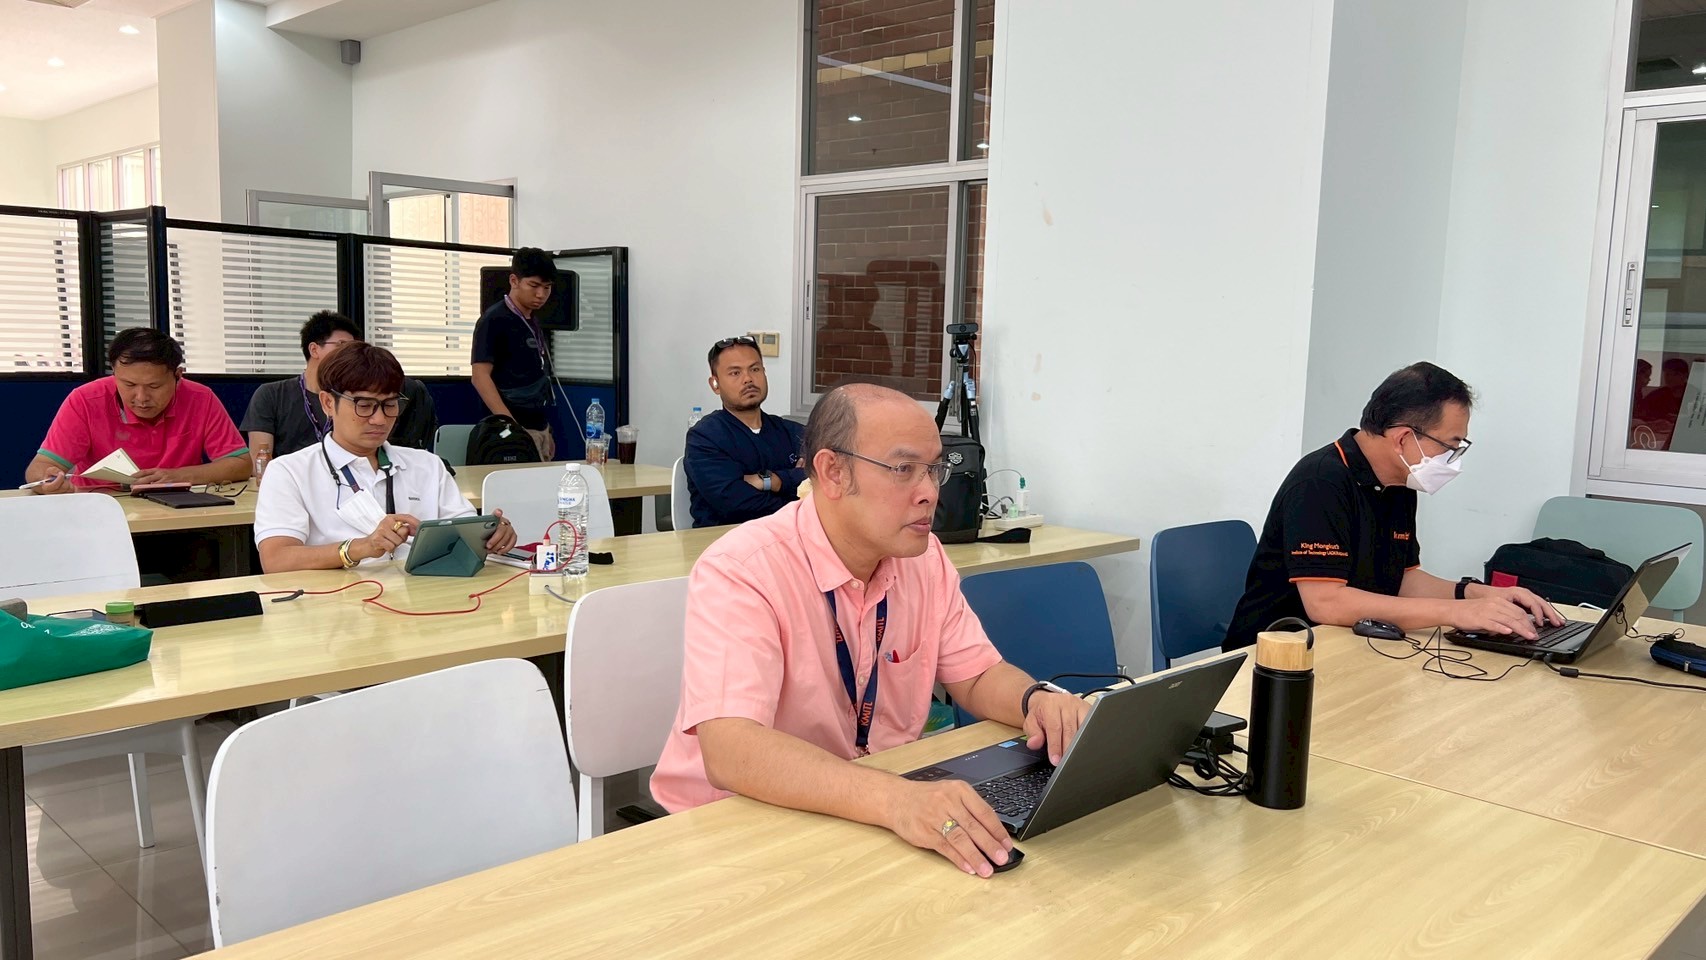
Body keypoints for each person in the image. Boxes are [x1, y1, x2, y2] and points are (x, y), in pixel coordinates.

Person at [651, 383, 1091, 879]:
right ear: (833, 473)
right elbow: (732, 751)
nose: (930, 492)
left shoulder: (922, 559)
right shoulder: (743, 570)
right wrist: (896, 799)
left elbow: (976, 674)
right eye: (903, 469)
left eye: (934, 469)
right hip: (731, 830)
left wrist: (1036, 701)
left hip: (859, 808)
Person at [1223, 361, 1562, 651]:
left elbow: (1401, 579)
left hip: (1346, 645)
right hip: (1274, 656)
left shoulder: (1399, 481)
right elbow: (1326, 603)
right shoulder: (1319, 482)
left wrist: (1479, 595)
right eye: (1450, 446)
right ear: (1403, 438)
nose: (1452, 459)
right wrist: (1456, 613)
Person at [253, 341, 517, 573]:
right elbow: (276, 559)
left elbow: (466, 533)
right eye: (364, 405)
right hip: (338, 607)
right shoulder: (290, 471)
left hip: (421, 600)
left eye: (390, 405)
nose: (379, 419)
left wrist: (492, 532)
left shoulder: (427, 465)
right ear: (328, 403)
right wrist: (361, 548)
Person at [25, 327, 250, 493]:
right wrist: (49, 483)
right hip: (101, 511)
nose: (141, 398)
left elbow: (241, 464)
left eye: (154, 386)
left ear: (178, 376)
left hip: (179, 509)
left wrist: (177, 476)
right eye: (129, 385)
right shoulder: (85, 400)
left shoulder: (200, 398)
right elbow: (39, 469)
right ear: (114, 373)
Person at [241, 311, 437, 462]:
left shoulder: (382, 398)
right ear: (314, 349)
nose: (349, 354)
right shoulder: (272, 395)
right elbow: (260, 459)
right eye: (341, 345)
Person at [684, 335, 807, 527]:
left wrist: (774, 480)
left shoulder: (793, 432)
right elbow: (735, 504)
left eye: (755, 369)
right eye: (735, 373)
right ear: (715, 384)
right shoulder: (705, 437)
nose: (748, 379)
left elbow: (823, 482)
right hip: (724, 540)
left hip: (789, 537)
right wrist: (797, 500)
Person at [472, 247, 558, 460]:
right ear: (514, 280)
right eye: (534, 286)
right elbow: (480, 377)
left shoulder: (533, 321)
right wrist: (512, 427)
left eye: (547, 287)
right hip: (510, 432)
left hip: (538, 428)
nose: (541, 294)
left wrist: (547, 430)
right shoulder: (493, 320)